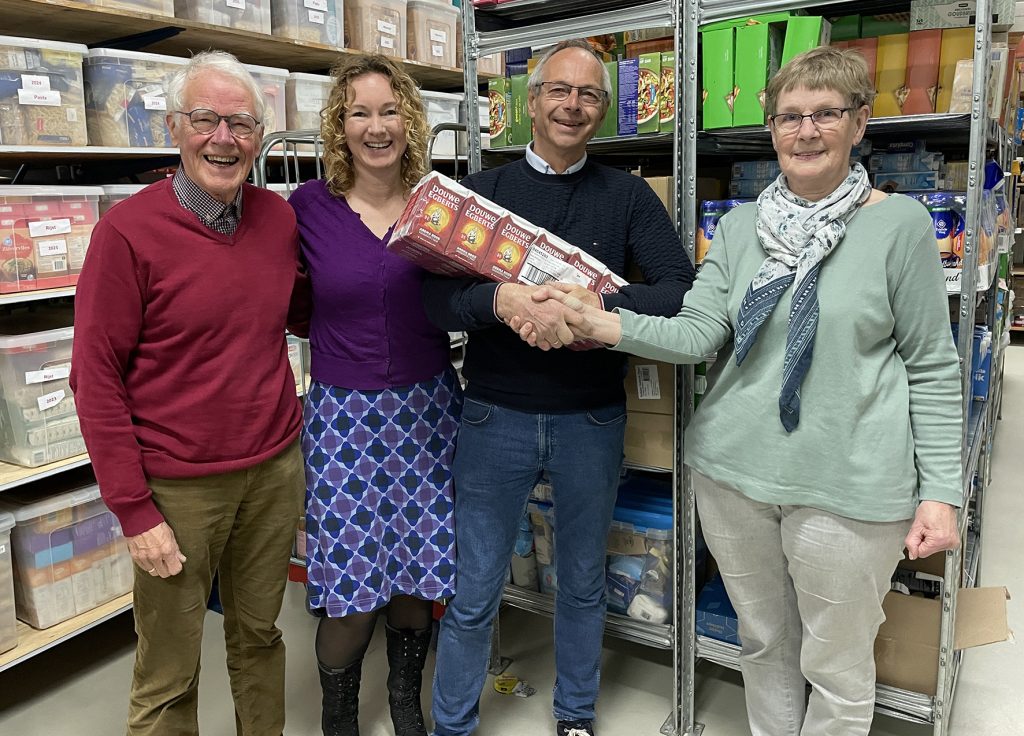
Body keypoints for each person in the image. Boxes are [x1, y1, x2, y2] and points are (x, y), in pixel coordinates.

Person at [530, 46, 963, 736]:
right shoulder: (740, 229)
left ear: (860, 124)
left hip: (849, 485)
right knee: (764, 643)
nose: (807, 131)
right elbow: (698, 333)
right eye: (790, 116)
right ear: (771, 130)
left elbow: (934, 365)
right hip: (733, 474)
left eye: (826, 114)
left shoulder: (899, 226)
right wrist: (599, 319)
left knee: (838, 664)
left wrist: (941, 490)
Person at [423, 39, 695, 736]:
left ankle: (575, 715)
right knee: (476, 587)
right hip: (494, 417)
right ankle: (452, 724)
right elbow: (432, 303)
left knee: (582, 584)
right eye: (559, 91)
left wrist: (597, 306)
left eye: (589, 96)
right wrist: (503, 303)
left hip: (591, 420)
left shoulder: (628, 195)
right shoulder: (481, 194)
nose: (572, 106)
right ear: (530, 101)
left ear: (603, 111)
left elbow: (677, 292)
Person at [69, 50, 305, 736]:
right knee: (169, 672)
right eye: (206, 119)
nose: (224, 138)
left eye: (241, 123)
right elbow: (96, 378)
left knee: (260, 638)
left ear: (260, 138)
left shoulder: (277, 220)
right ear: (174, 127)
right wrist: (134, 511)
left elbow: (300, 312)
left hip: (272, 471)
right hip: (177, 488)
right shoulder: (127, 233)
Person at [287, 54, 461, 736]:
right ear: (340, 124)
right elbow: (288, 300)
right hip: (343, 420)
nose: (376, 125)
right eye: (360, 112)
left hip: (426, 411)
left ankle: (405, 707)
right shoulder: (307, 206)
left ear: (410, 120)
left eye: (389, 110)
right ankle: (339, 722)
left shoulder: (439, 203)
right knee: (353, 591)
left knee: (418, 578)